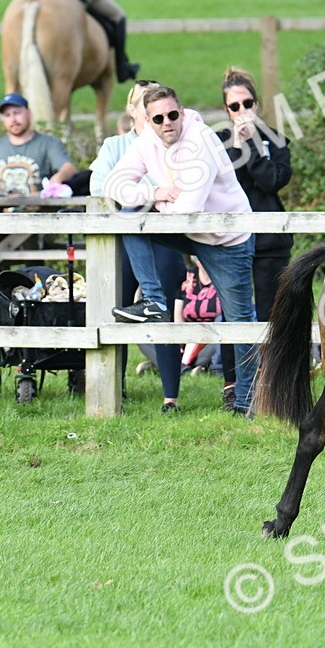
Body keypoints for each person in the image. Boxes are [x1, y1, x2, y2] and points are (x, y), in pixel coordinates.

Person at [103, 85, 257, 415]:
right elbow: (112, 184)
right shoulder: (147, 140)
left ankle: (248, 401)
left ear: (182, 113)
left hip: (226, 237)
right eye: (158, 118)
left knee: (240, 320)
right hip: (186, 229)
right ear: (148, 121)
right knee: (130, 215)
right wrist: (156, 192)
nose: (167, 122)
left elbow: (189, 209)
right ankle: (155, 301)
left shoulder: (201, 139)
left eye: (173, 115)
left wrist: (158, 201)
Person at [90, 79, 187, 412]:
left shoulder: (173, 144)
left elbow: (181, 186)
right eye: (143, 102)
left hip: (163, 237)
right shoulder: (116, 145)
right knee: (115, 308)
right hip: (124, 240)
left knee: (164, 309)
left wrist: (136, 191)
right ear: (133, 110)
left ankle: (170, 396)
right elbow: (98, 186)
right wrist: (147, 193)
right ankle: (113, 387)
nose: (152, 109)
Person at [213, 67, 293, 410]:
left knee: (270, 312)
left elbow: (273, 180)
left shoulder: (275, 139)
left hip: (269, 241)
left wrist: (253, 147)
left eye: (247, 104)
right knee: (233, 314)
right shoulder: (218, 142)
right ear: (226, 110)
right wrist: (237, 145)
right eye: (234, 106)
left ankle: (270, 383)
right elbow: (223, 183)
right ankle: (234, 386)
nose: (242, 111)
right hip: (230, 241)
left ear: (256, 104)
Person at [0, 93, 78, 196]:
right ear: (3, 119)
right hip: (4, 206)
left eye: (17, 113)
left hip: (40, 205)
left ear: (29, 113)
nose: (13, 119)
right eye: (7, 115)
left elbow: (69, 169)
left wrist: (58, 178)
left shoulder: (48, 143)